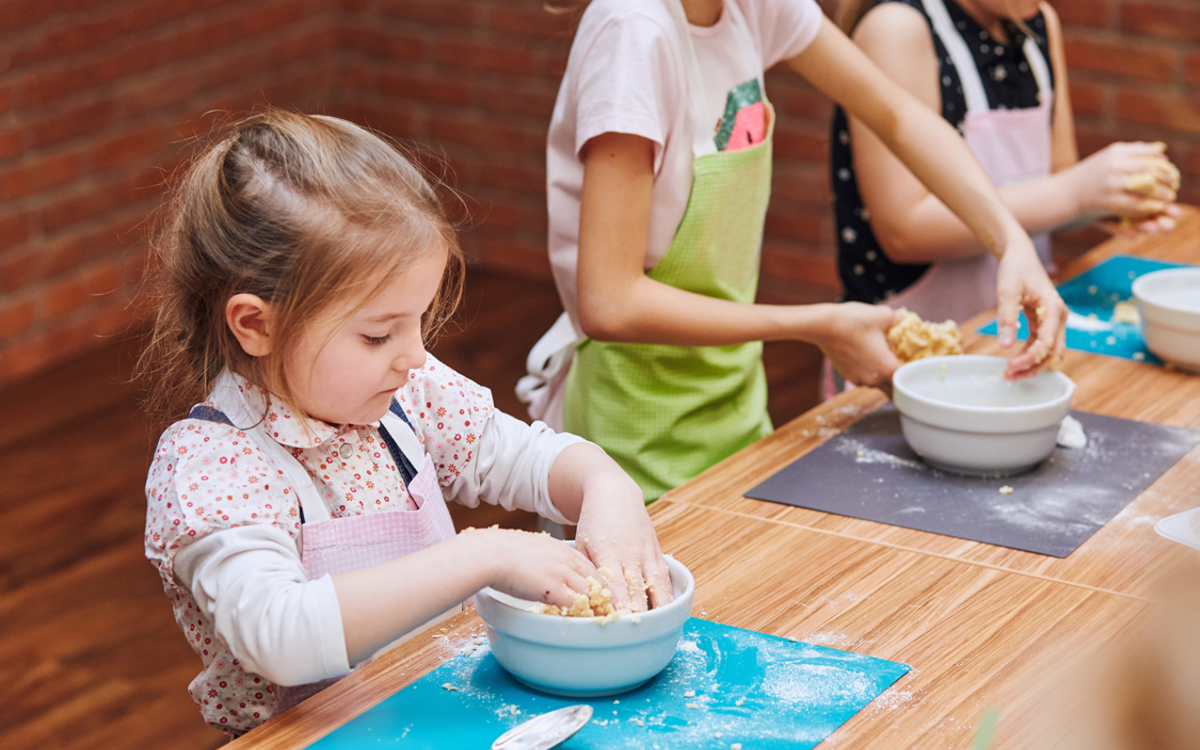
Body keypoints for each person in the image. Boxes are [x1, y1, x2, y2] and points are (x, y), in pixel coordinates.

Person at [138, 110, 671, 737]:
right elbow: (281, 637)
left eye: (418, 320)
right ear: (257, 325)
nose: (415, 355)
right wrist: (484, 552)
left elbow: (525, 458)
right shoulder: (213, 466)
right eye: (377, 334)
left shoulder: (404, 393)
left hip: (436, 714)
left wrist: (606, 485)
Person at [518, 0, 1069, 502]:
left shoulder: (752, 7)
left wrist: (1011, 242)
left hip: (734, 404)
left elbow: (898, 117)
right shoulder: (633, 33)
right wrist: (818, 325)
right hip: (628, 434)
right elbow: (609, 303)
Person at [831, 0, 1180, 326]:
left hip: (1019, 325)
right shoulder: (896, 28)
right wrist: (1074, 194)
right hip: (907, 335)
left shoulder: (1037, 23)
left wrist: (1102, 199)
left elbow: (1056, 179)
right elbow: (905, 232)